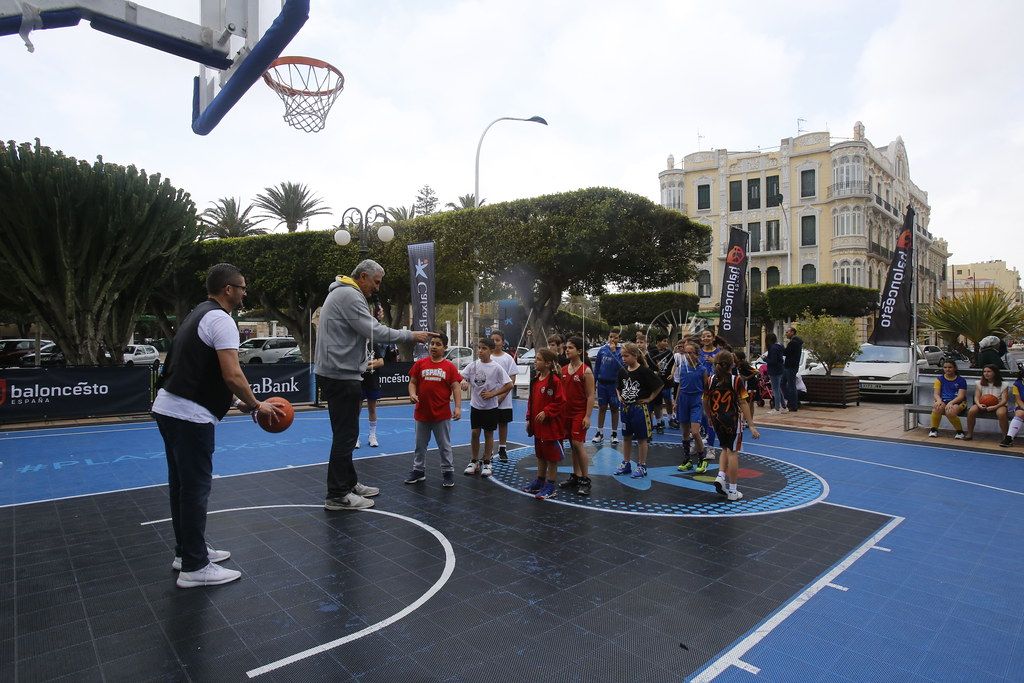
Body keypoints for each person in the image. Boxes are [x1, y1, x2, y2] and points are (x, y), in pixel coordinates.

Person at [153, 263, 283, 588]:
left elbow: (202, 372)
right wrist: (256, 405)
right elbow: (232, 374)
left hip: (169, 407)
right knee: (195, 488)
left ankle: (187, 552)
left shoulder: (200, 313)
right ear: (228, 289)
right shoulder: (222, 320)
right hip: (188, 414)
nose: (245, 293)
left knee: (181, 487)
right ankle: (195, 567)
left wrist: (237, 403)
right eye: (242, 287)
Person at [315, 260, 434, 511]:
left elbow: (363, 328)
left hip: (340, 373)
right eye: (376, 282)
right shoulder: (348, 294)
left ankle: (348, 483)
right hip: (341, 375)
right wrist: (411, 335)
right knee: (345, 436)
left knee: (347, 434)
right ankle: (337, 495)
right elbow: (375, 331)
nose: (377, 288)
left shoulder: (343, 293)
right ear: (363, 277)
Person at [406, 334, 462, 487]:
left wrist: (457, 407)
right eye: (432, 343)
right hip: (422, 413)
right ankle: (418, 471)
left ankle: (448, 472)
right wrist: (412, 393)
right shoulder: (420, 364)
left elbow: (456, 387)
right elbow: (412, 382)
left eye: (438, 344)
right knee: (419, 445)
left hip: (441, 415)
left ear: (445, 348)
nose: (434, 347)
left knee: (444, 446)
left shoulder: (449, 366)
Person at [705, 351, 760, 501]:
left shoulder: (710, 380)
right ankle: (733, 490)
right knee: (733, 452)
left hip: (717, 418)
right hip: (732, 419)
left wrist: (709, 415)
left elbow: (705, 400)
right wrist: (751, 425)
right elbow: (743, 402)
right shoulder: (736, 380)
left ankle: (721, 476)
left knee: (724, 447)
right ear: (733, 364)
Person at [461, 337, 513, 477]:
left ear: (491, 350)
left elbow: (509, 384)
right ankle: (474, 461)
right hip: (476, 406)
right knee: (474, 433)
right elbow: (461, 377)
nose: (480, 351)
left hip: (490, 407)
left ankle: (487, 462)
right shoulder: (473, 365)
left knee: (488, 434)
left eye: (484, 348)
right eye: (479, 348)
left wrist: (493, 394)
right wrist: (463, 382)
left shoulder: (496, 367)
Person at [613, 343, 663, 479]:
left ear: (635, 356)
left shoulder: (644, 371)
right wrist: (619, 397)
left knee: (642, 438)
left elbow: (659, 384)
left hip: (639, 409)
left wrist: (650, 398)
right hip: (625, 408)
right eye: (622, 356)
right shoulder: (622, 371)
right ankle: (626, 462)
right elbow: (618, 387)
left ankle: (642, 465)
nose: (623, 358)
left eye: (626, 356)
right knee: (626, 436)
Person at [522, 348, 566, 499]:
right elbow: (531, 401)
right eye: (536, 359)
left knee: (551, 457)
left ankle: (551, 485)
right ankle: (540, 481)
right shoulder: (535, 380)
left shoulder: (554, 381)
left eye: (538, 359)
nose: (535, 361)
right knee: (540, 454)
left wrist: (547, 411)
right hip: (538, 426)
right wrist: (529, 419)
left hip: (551, 427)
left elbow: (560, 402)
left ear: (548, 363)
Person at [559, 336, 596, 495]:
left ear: (580, 351)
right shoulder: (563, 369)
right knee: (572, 445)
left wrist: (587, 416)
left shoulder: (585, 371)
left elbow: (590, 396)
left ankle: (585, 479)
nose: (567, 350)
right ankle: (576, 475)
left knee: (577, 444)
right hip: (566, 413)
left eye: (571, 348)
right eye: (566, 347)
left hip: (579, 413)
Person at [356, 305, 395, 449]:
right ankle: (356, 437)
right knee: (356, 409)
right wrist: (364, 365)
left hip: (372, 380)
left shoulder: (373, 344)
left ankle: (372, 435)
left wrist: (369, 365)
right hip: (358, 380)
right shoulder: (355, 344)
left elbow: (381, 361)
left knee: (372, 409)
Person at [675, 340, 711, 473]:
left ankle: (702, 459)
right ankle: (687, 459)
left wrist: (706, 404)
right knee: (684, 433)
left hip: (696, 400)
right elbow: (680, 384)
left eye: (691, 353)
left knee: (695, 432)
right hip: (683, 400)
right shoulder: (682, 367)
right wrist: (676, 401)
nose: (688, 355)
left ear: (697, 354)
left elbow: (706, 389)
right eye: (686, 353)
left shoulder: (702, 370)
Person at [490, 330, 519, 462]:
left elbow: (512, 379)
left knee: (503, 423)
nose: (495, 342)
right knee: (489, 425)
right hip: (488, 399)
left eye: (498, 340)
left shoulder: (508, 358)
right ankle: (488, 450)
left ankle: (502, 448)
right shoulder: (486, 357)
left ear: (502, 342)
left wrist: (502, 396)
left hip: (504, 400)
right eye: (493, 340)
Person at [592, 330, 624, 445]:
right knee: (602, 407)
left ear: (619, 338)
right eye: (611, 337)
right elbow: (597, 368)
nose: (612, 340)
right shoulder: (602, 350)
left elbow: (621, 366)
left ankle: (614, 433)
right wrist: (594, 383)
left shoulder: (620, 351)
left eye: (615, 338)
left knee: (615, 408)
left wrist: (614, 352)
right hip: (602, 384)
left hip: (614, 385)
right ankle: (599, 432)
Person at [966, 364, 1009, 440]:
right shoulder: (979, 383)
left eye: (989, 371)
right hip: (982, 403)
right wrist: (979, 405)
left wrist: (995, 406)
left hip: (999, 404)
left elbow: (1004, 400)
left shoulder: (1004, 385)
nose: (986, 373)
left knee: (1001, 413)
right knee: (971, 411)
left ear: (995, 373)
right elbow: (976, 397)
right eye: (984, 371)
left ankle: (1005, 436)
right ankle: (969, 433)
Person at [929, 360, 967, 439]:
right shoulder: (939, 379)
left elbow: (961, 396)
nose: (947, 369)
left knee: (950, 411)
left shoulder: (961, 380)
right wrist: (939, 400)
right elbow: (936, 394)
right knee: (937, 407)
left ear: (955, 368)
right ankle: (933, 430)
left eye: (950, 367)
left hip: (959, 402)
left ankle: (960, 432)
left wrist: (951, 403)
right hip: (943, 401)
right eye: (945, 367)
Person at [650, 336, 676, 433]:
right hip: (656, 382)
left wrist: (672, 373)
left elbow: (674, 363)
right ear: (658, 342)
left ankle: (670, 419)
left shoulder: (669, 352)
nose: (666, 343)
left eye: (666, 341)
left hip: (666, 380)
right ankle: (659, 422)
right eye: (664, 341)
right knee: (657, 404)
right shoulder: (652, 352)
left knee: (668, 400)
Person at [999, 365, 1024, 448]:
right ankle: (1009, 438)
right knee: (1020, 413)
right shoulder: (1017, 384)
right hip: (1022, 405)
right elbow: (1019, 400)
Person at [782, 327, 803, 413]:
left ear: (792, 332)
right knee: (784, 383)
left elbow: (786, 352)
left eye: (787, 332)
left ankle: (793, 404)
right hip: (791, 366)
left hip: (790, 367)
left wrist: (782, 347)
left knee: (791, 386)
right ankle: (791, 402)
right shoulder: (796, 342)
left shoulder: (793, 343)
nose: (786, 334)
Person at [734, 350, 759, 423]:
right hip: (747, 385)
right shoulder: (737, 365)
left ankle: (747, 420)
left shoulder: (743, 364)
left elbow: (756, 371)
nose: (733, 357)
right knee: (749, 403)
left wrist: (747, 378)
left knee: (749, 403)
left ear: (738, 357)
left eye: (734, 356)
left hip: (751, 385)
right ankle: (749, 420)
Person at [765, 332, 785, 413]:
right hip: (780, 369)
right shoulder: (779, 346)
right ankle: (783, 406)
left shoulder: (772, 348)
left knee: (775, 389)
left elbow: (773, 361)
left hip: (774, 370)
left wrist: (765, 359)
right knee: (778, 388)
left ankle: (777, 408)